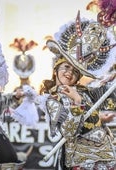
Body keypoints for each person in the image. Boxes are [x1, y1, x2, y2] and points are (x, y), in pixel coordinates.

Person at [16, 11, 116, 170]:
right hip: (82, 162)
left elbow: (110, 98)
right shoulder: (52, 99)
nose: (70, 73)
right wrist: (76, 103)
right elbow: (68, 133)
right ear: (56, 69)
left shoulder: (87, 91)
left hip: (108, 156)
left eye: (75, 71)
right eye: (66, 67)